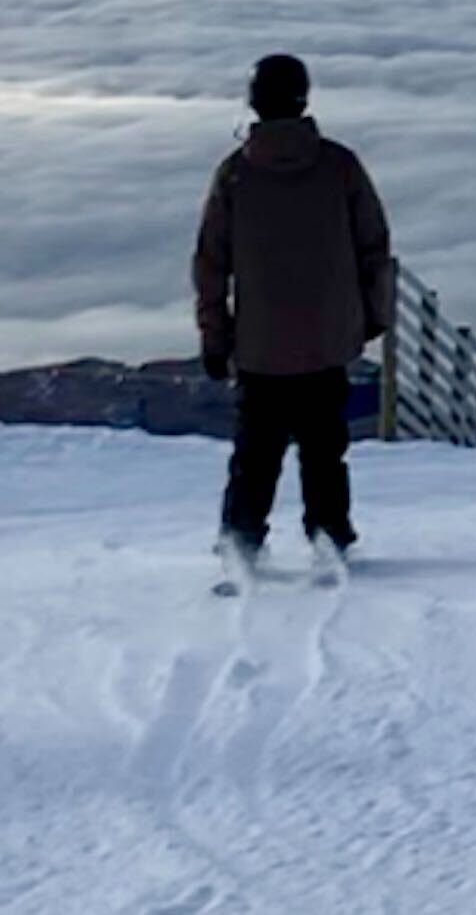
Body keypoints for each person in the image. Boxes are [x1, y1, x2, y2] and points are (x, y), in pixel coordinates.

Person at [193, 53, 392, 574]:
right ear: (304, 99)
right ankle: (330, 537)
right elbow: (374, 245)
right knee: (324, 450)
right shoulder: (339, 166)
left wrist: (215, 337)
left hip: (259, 346)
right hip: (328, 340)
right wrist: (375, 314)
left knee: (255, 455)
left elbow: (212, 263)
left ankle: (241, 542)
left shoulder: (235, 175)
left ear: (254, 102)